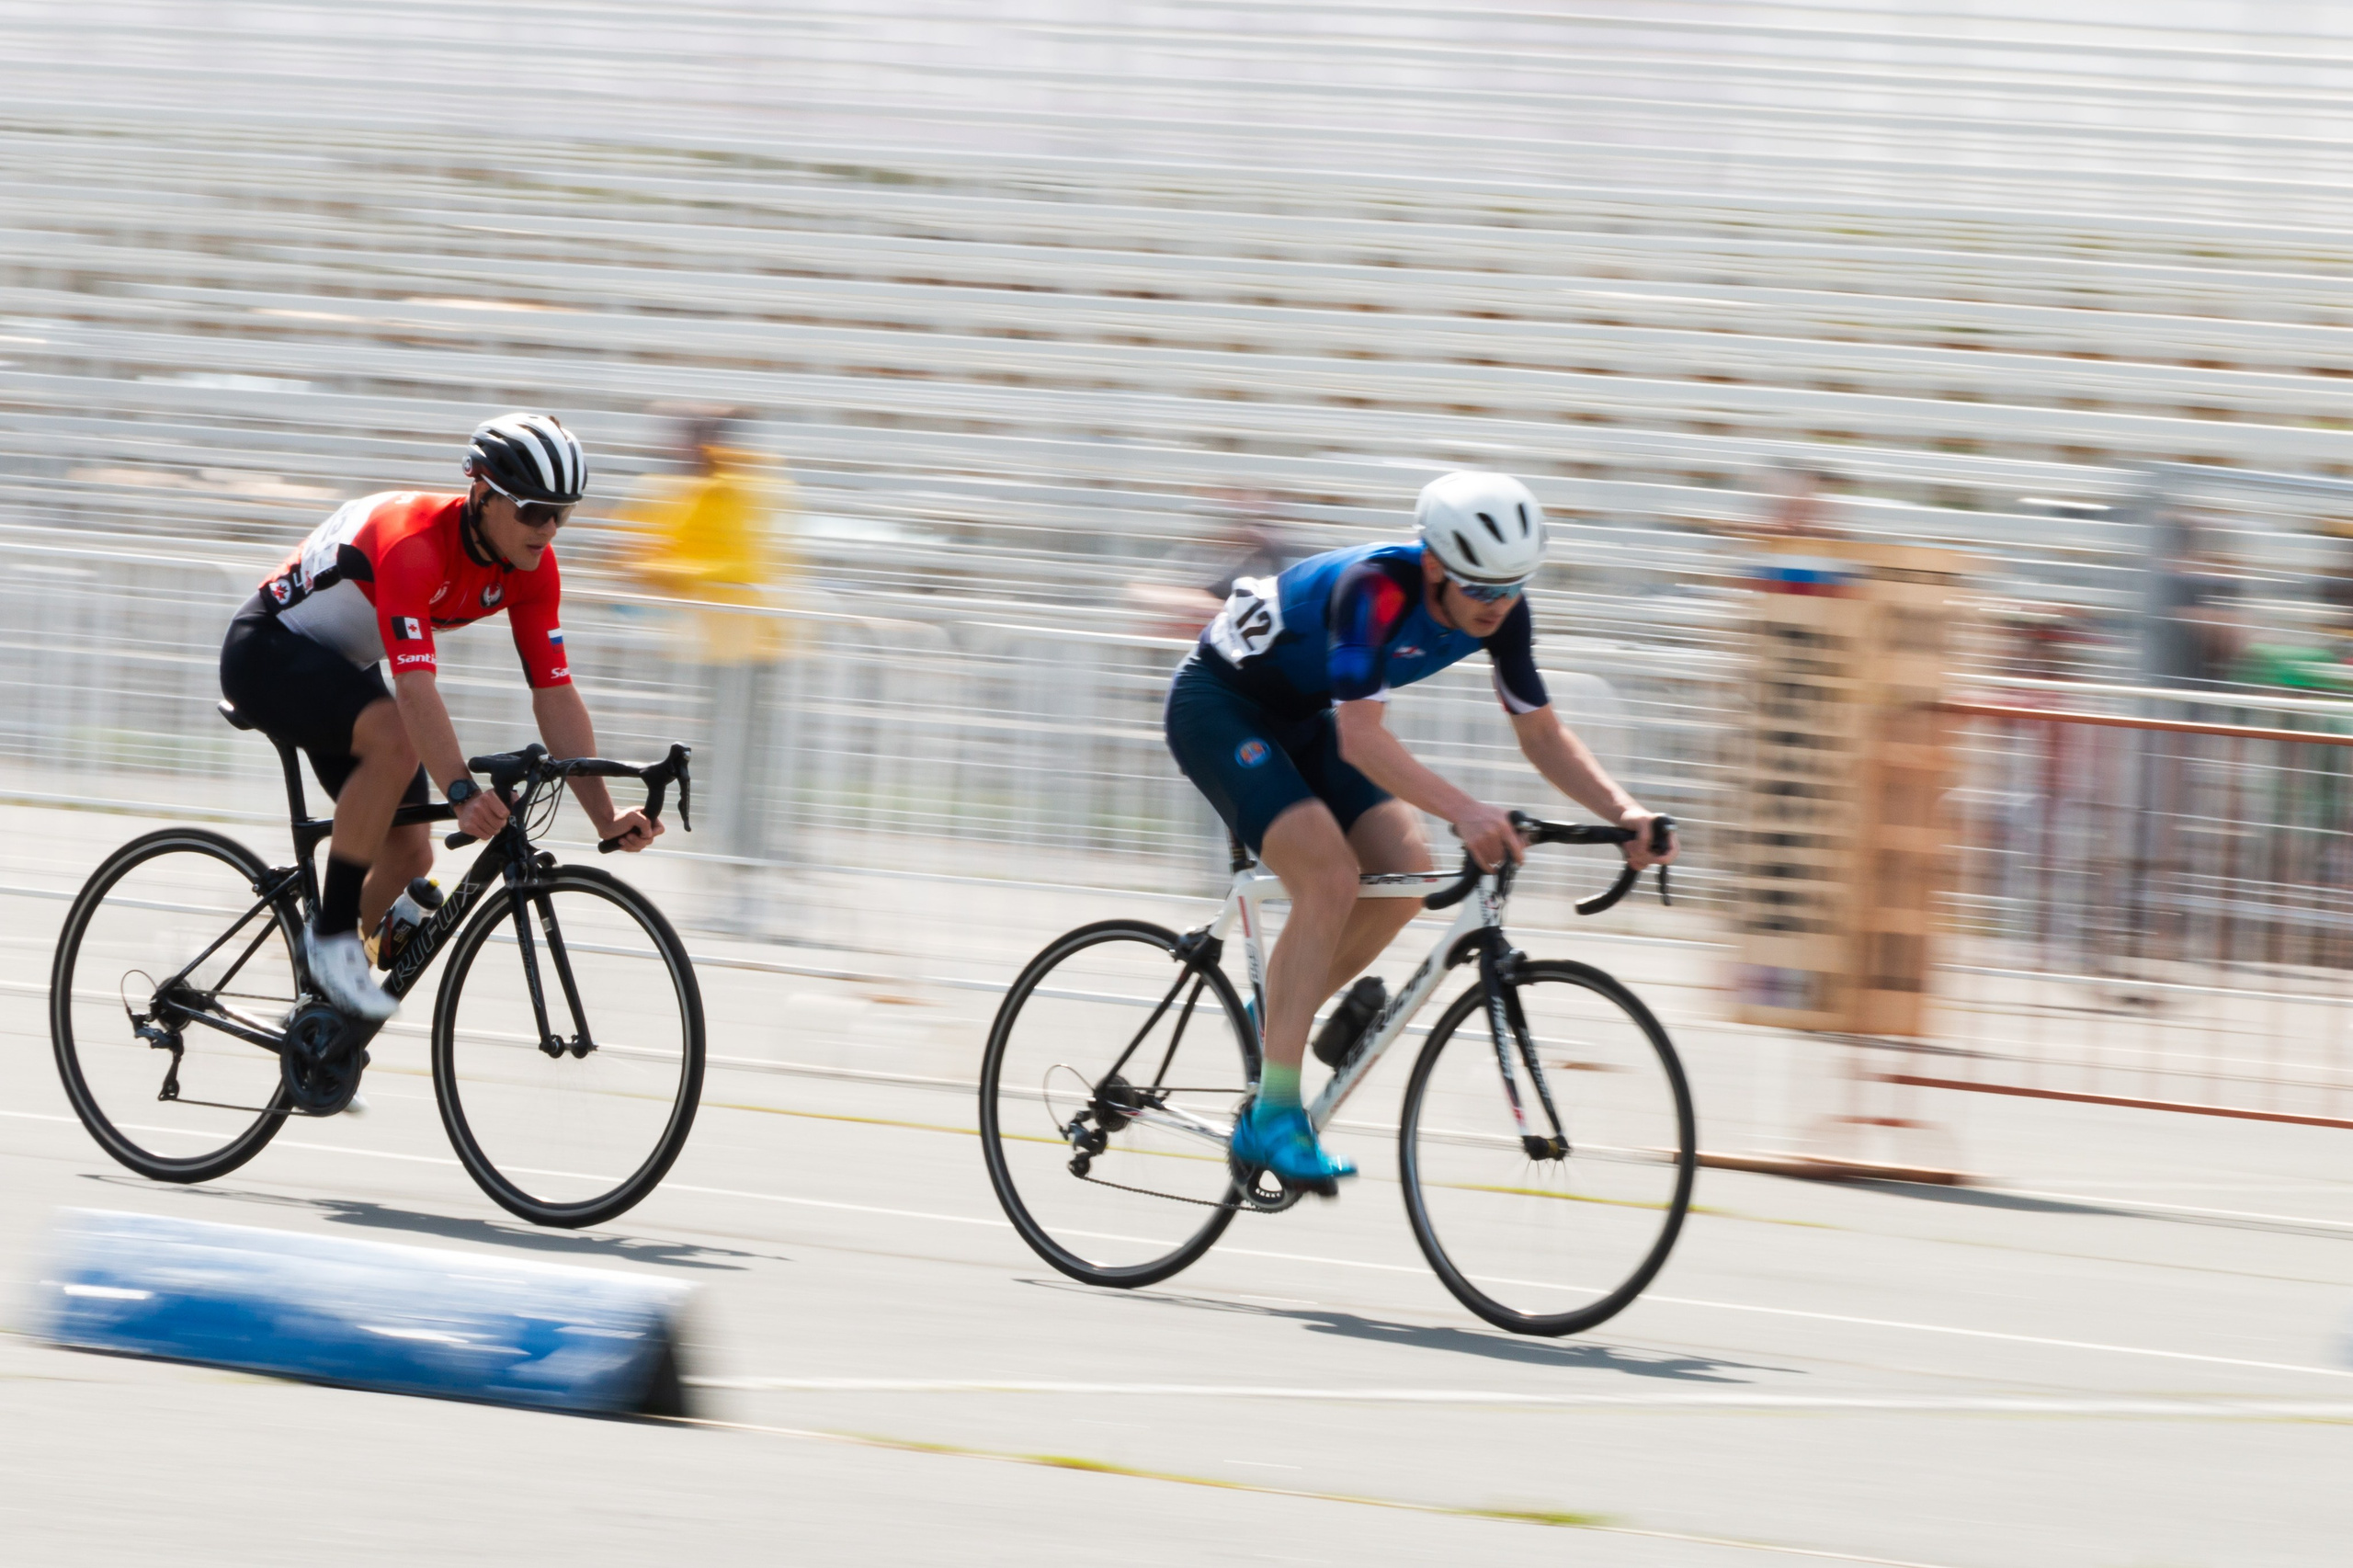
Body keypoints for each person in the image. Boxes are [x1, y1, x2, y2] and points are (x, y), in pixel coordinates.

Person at [1163, 471, 1677, 1191]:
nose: (1498, 606)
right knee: (1330, 877)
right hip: (1221, 706)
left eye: (1513, 587)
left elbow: (1542, 732)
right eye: (1482, 589)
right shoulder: (1372, 590)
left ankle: (1273, 1013)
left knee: (1406, 876)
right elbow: (1362, 739)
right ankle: (1272, 1117)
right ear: (1435, 564)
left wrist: (1623, 811)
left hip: (1302, 714)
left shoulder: (1502, 604)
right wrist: (1466, 808)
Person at [219, 413, 662, 1022]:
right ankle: (330, 938)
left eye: (565, 513)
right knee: (397, 740)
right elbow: (415, 688)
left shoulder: (533, 570)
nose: (550, 529)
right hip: (267, 650)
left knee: (411, 856)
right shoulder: (414, 545)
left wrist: (605, 816)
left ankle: (319, 1025)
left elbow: (555, 692)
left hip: (343, 667)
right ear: (482, 495)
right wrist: (459, 789)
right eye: (535, 511)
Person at [617, 407, 799, 923]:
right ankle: (734, 879)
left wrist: (666, 571)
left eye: (692, 436)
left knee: (739, 776)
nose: (681, 446)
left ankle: (746, 884)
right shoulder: (702, 489)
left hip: (751, 652)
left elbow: (728, 564)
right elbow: (639, 553)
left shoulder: (735, 487)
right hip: (724, 652)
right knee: (725, 775)